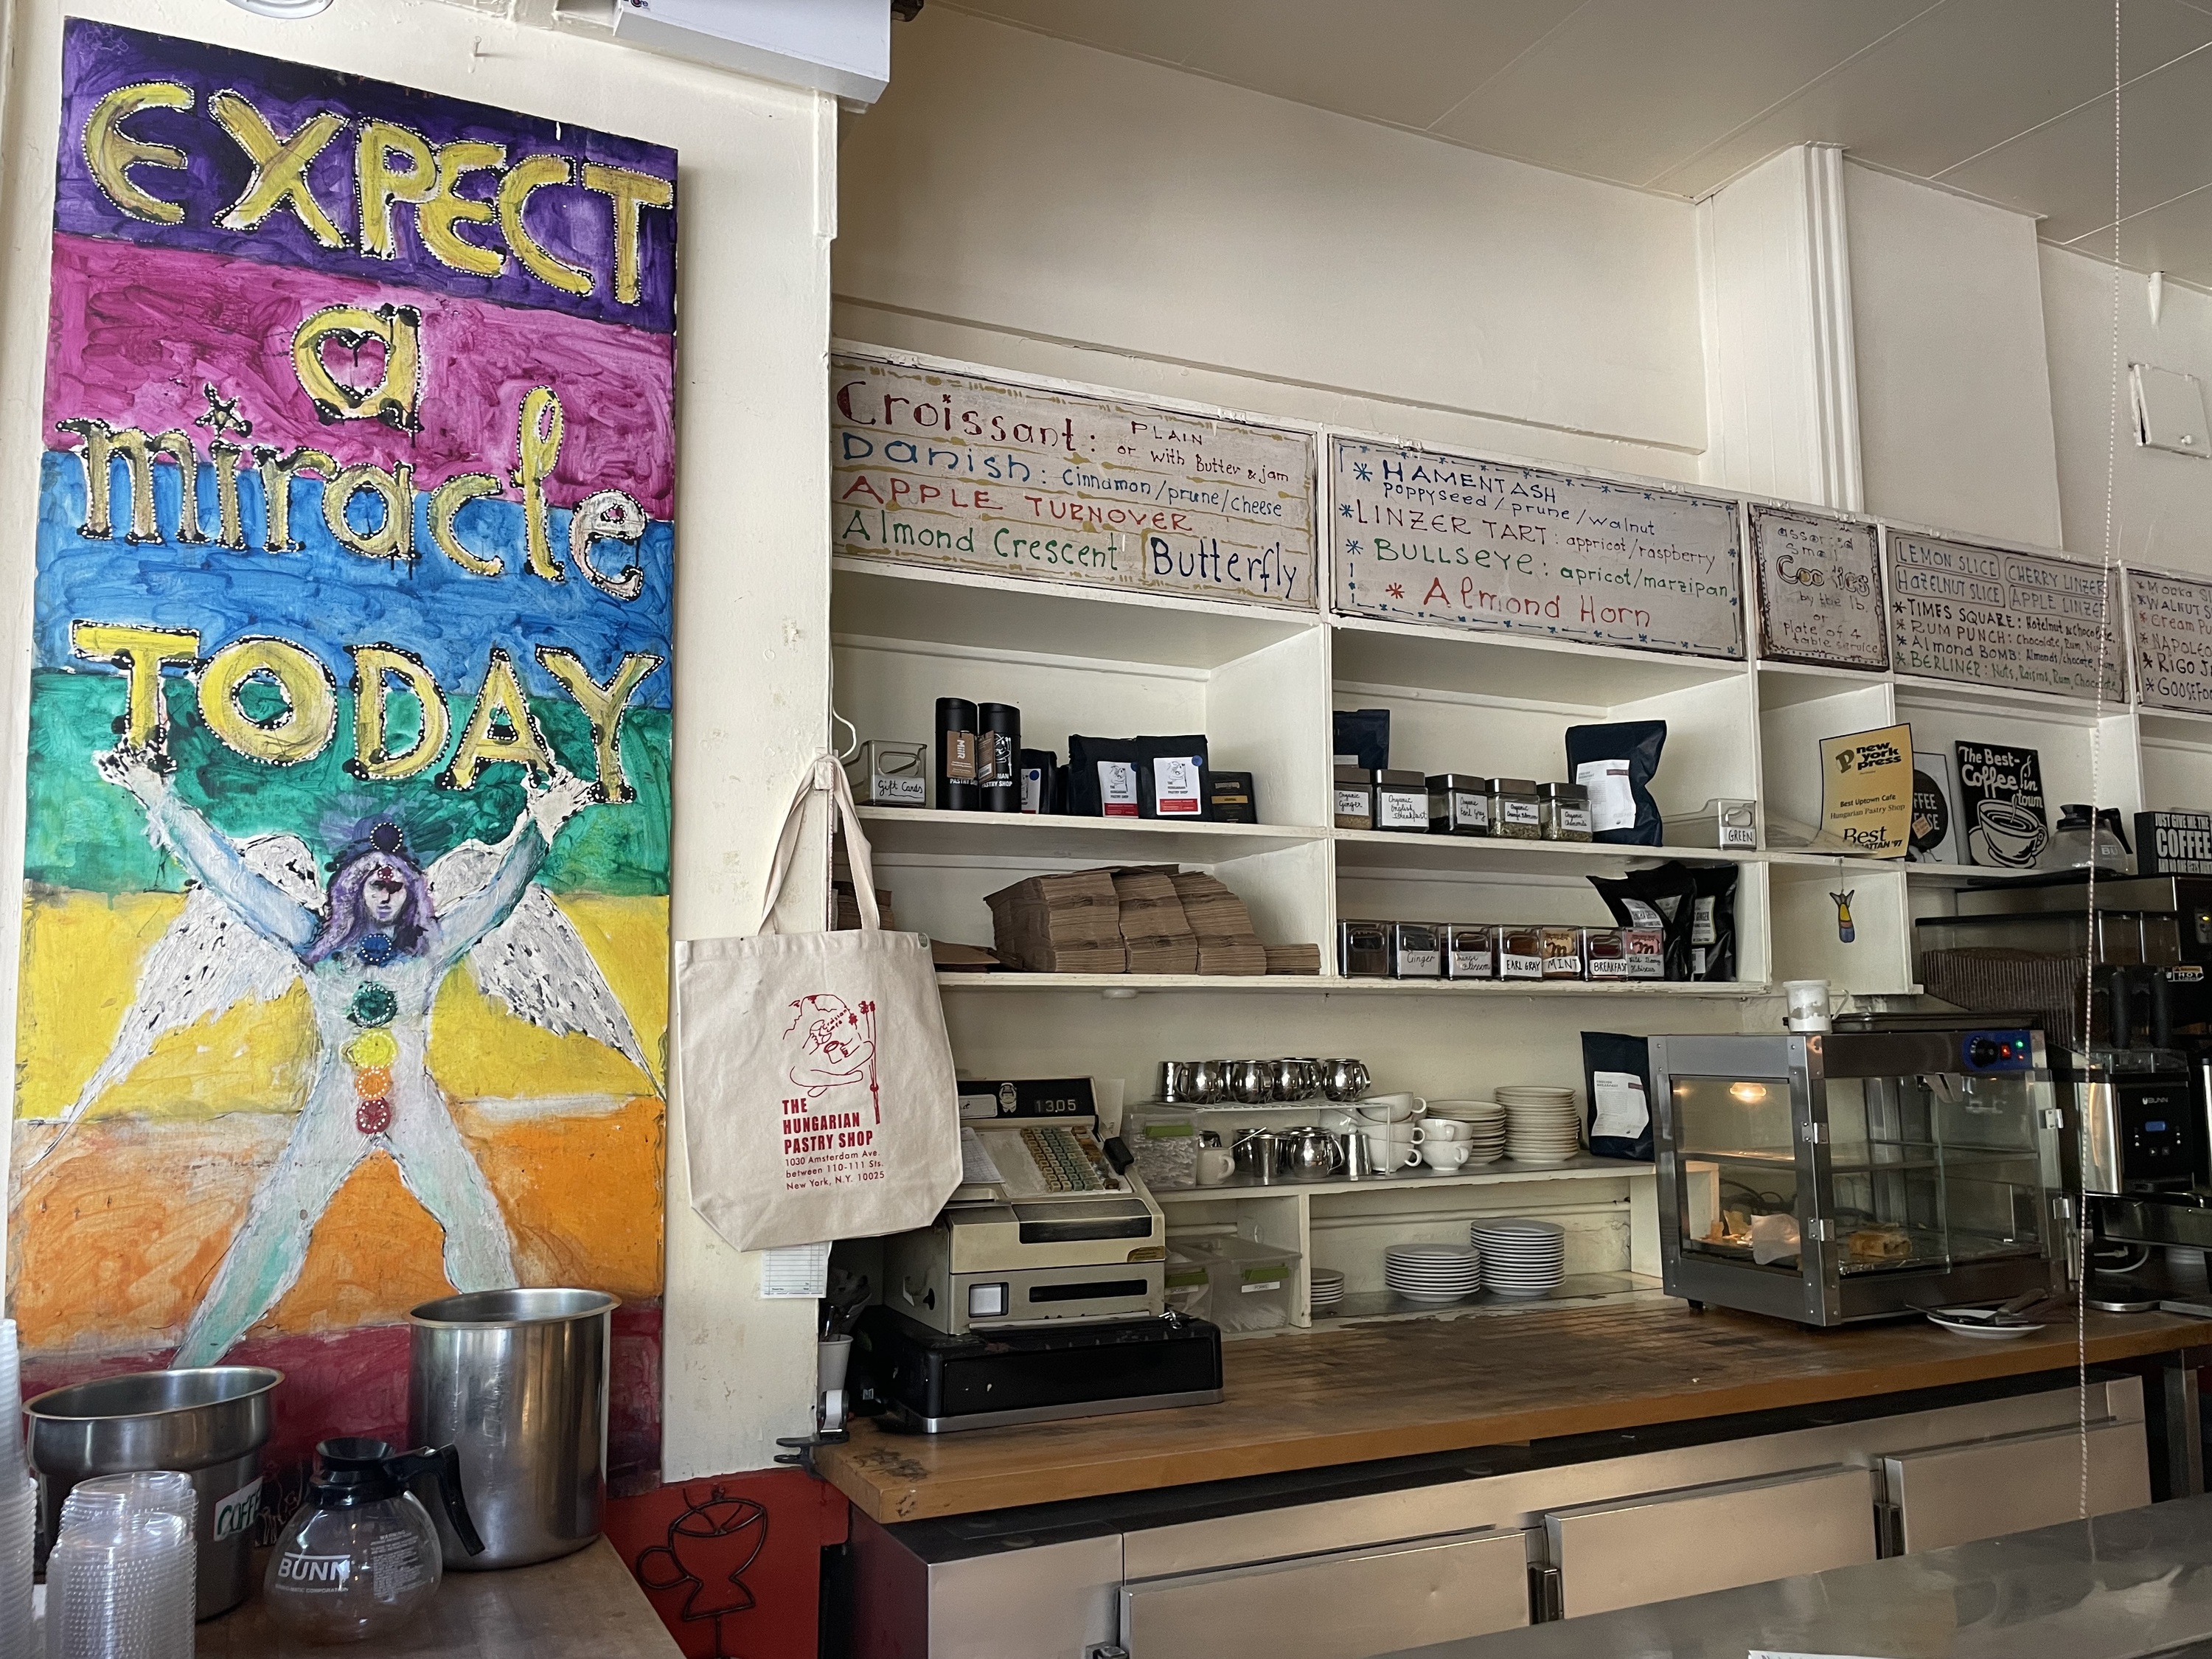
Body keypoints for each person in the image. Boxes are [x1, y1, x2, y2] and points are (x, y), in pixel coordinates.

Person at [94, 745, 596, 1368]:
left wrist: (540, 826)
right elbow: (234, 881)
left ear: (411, 891)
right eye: (372, 880)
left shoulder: (428, 951)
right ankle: (192, 1367)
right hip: (338, 1105)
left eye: (396, 882)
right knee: (274, 1230)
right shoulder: (314, 942)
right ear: (348, 888)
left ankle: (521, 1361)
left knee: (474, 1223)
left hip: (412, 1104)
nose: (384, 892)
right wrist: (159, 796)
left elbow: (497, 899)